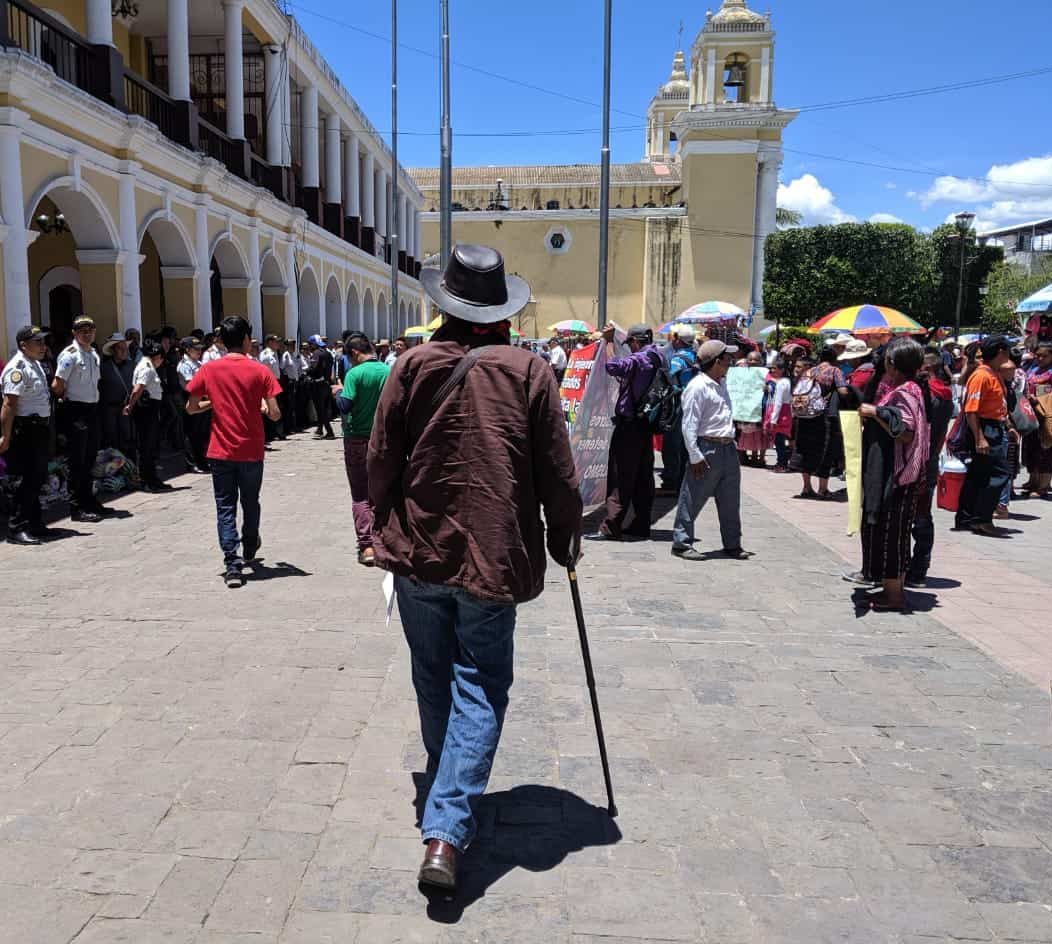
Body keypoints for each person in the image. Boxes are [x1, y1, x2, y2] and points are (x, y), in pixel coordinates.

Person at [368, 245, 582, 892]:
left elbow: (381, 458)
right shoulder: (529, 371)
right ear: (500, 311)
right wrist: (566, 537)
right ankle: (447, 824)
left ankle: (447, 797)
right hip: (494, 552)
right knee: (480, 686)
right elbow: (558, 474)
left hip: (419, 549)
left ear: (445, 306)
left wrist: (379, 526)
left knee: (435, 679)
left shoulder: (410, 366)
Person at [185, 315, 282, 587]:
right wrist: (262, 409)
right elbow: (275, 414)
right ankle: (250, 543)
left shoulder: (208, 369)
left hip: (220, 451)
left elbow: (191, 407)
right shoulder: (260, 370)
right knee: (251, 501)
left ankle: (232, 563)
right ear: (245, 340)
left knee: (225, 506)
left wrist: (213, 403)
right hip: (251, 449)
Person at [857, 338, 929, 611]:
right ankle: (891, 589)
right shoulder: (912, 388)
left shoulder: (904, 393)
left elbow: (905, 431)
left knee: (891, 533)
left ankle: (894, 594)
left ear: (892, 363)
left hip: (897, 475)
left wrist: (875, 412)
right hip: (903, 474)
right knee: (894, 533)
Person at [671, 339, 751, 561]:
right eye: (727, 358)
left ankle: (733, 544)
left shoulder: (720, 384)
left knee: (730, 501)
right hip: (707, 448)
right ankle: (681, 543)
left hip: (727, 448)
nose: (731, 362)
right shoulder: (698, 387)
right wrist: (695, 455)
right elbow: (688, 425)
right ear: (717, 361)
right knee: (692, 497)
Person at [595, 323, 661, 540]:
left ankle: (612, 525)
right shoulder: (659, 357)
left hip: (630, 425)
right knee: (643, 476)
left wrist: (609, 341)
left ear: (635, 341)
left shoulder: (639, 359)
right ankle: (641, 523)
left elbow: (613, 366)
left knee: (620, 475)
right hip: (645, 423)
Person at [334, 336, 389, 566]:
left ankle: (366, 546)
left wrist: (337, 392)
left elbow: (345, 405)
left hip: (357, 439)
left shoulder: (354, 375)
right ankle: (384, 540)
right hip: (383, 438)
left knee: (360, 494)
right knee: (382, 491)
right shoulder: (387, 371)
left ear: (355, 352)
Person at [53, 315, 111, 522]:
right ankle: (77, 507)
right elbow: (57, 385)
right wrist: (65, 405)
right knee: (76, 461)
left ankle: (89, 500)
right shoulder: (69, 356)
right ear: (74, 333)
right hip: (76, 410)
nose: (87, 334)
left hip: (92, 410)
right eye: (82, 330)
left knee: (90, 458)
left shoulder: (93, 353)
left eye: (90, 330)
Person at [0, 326, 54, 544]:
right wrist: (6, 435)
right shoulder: (17, 368)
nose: (43, 346)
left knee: (38, 477)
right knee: (27, 479)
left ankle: (35, 524)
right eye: (38, 342)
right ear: (23, 345)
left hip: (39, 428)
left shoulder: (35, 365)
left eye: (43, 341)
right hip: (26, 430)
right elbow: (8, 405)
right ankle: (16, 527)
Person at [955, 335, 1012, 536]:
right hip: (984, 429)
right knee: (1001, 472)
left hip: (993, 427)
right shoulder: (981, 376)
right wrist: (980, 437)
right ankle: (981, 518)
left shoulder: (992, 373)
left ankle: (967, 517)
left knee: (979, 474)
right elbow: (971, 410)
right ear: (1000, 352)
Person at [906, 349, 954, 587]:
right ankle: (920, 567)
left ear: (926, 369)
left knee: (913, 516)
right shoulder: (945, 395)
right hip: (931, 459)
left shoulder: (928, 394)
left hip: (917, 460)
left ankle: (911, 568)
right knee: (923, 515)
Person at [789, 349, 849, 500]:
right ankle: (822, 488)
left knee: (805, 449)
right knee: (825, 450)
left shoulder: (810, 371)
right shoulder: (834, 371)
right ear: (834, 359)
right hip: (824, 417)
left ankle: (806, 487)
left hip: (804, 416)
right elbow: (843, 392)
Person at [124, 339, 170, 492]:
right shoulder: (146, 367)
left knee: (151, 447)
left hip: (151, 409)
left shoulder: (147, 365)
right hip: (146, 410)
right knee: (146, 447)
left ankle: (153, 478)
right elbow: (138, 388)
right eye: (161, 358)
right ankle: (146, 481)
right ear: (156, 356)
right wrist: (130, 405)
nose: (161, 362)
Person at [660, 325, 698, 494]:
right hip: (692, 404)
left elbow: (667, 375)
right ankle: (683, 478)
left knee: (671, 443)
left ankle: (671, 480)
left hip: (677, 405)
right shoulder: (695, 355)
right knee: (685, 442)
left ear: (676, 338)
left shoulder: (678, 359)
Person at [1020, 341, 1052, 497]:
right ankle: (1033, 480)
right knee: (1031, 447)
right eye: (1037, 355)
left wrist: (1038, 398)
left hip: (1046, 414)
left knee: (1044, 449)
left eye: (1043, 356)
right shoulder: (1032, 368)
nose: (1039, 358)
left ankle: (1043, 485)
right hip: (1030, 414)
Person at [177, 337, 211, 473]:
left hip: (202, 397)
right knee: (192, 433)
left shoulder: (198, 363)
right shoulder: (185, 365)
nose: (199, 351)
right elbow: (190, 385)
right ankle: (192, 463)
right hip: (191, 398)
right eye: (196, 349)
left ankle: (202, 461)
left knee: (202, 432)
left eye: (200, 348)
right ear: (187, 349)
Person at [735, 349, 767, 467]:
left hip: (761, 407)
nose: (753, 361)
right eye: (750, 359)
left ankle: (758, 458)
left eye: (756, 359)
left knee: (760, 433)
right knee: (747, 433)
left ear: (761, 361)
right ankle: (746, 456)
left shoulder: (765, 373)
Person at [763, 356, 793, 472]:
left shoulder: (781, 383)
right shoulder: (788, 381)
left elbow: (778, 403)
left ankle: (782, 464)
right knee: (780, 441)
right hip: (786, 413)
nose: (772, 371)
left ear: (782, 369)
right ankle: (782, 462)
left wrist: (773, 420)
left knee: (779, 442)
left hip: (780, 415)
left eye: (774, 368)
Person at [306, 334, 335, 439]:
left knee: (320, 409)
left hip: (318, 384)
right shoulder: (328, 354)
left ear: (314, 344)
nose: (309, 346)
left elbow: (314, 369)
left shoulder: (317, 354)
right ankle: (319, 429)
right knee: (324, 408)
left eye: (310, 344)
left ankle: (329, 431)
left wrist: (307, 371)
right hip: (326, 383)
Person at [259, 335, 285, 444]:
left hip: (275, 383)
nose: (278, 344)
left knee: (277, 408)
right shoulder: (266, 354)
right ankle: (269, 434)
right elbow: (264, 371)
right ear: (269, 342)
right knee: (270, 409)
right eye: (276, 341)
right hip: (268, 384)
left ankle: (275, 432)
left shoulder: (274, 354)